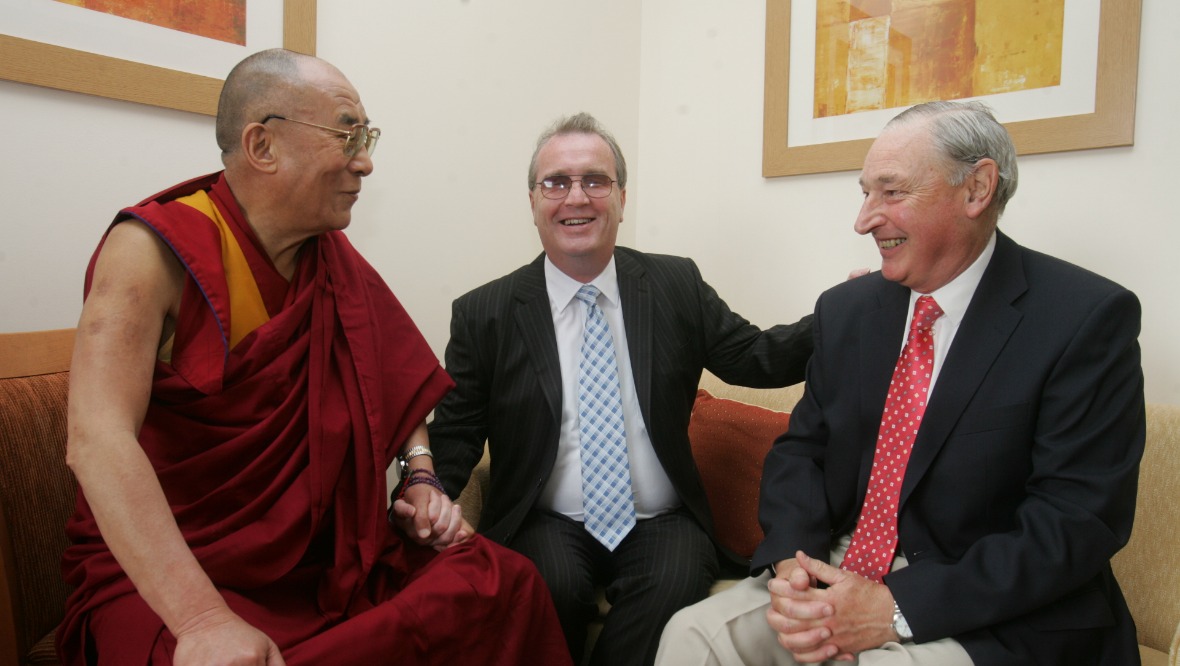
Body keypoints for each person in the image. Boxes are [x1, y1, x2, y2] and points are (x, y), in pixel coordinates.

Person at [58, 48, 570, 666]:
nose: (366, 161)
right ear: (263, 145)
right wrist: (200, 619)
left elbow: (391, 372)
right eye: (346, 134)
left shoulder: (328, 258)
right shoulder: (150, 250)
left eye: (367, 136)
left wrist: (422, 476)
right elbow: (97, 438)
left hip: (318, 563)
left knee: (499, 581)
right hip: (176, 571)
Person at [655, 100, 1145, 666]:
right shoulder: (848, 311)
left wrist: (892, 607)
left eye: (890, 193)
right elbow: (802, 452)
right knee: (693, 636)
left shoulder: (1083, 318)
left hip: (986, 601)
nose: (864, 219)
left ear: (976, 189)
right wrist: (794, 564)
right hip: (837, 567)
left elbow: (1076, 521)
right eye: (864, 193)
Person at [428, 112, 814, 666]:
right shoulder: (485, 312)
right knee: (548, 584)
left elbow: (755, 357)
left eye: (595, 181)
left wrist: (845, 312)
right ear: (533, 201)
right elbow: (459, 430)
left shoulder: (673, 283)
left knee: (672, 585)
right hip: (546, 521)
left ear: (622, 197)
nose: (576, 197)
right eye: (556, 182)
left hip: (663, 521)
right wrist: (427, 492)